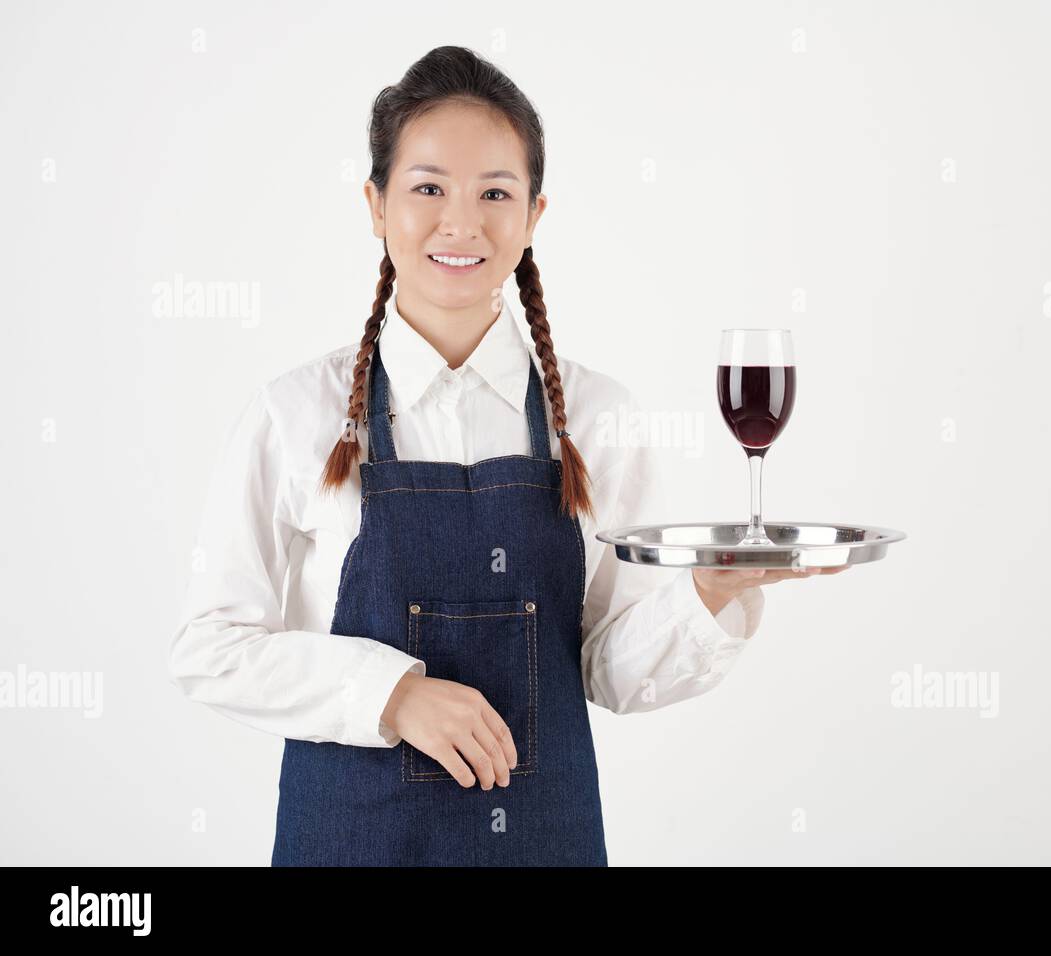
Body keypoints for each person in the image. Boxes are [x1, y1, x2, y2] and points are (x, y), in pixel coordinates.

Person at [167, 45, 849, 867]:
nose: (462, 223)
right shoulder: (293, 416)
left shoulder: (597, 420)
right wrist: (393, 696)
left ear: (533, 217)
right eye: (427, 189)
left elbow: (608, 671)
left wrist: (708, 593)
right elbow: (210, 650)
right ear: (375, 205)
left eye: (496, 193)